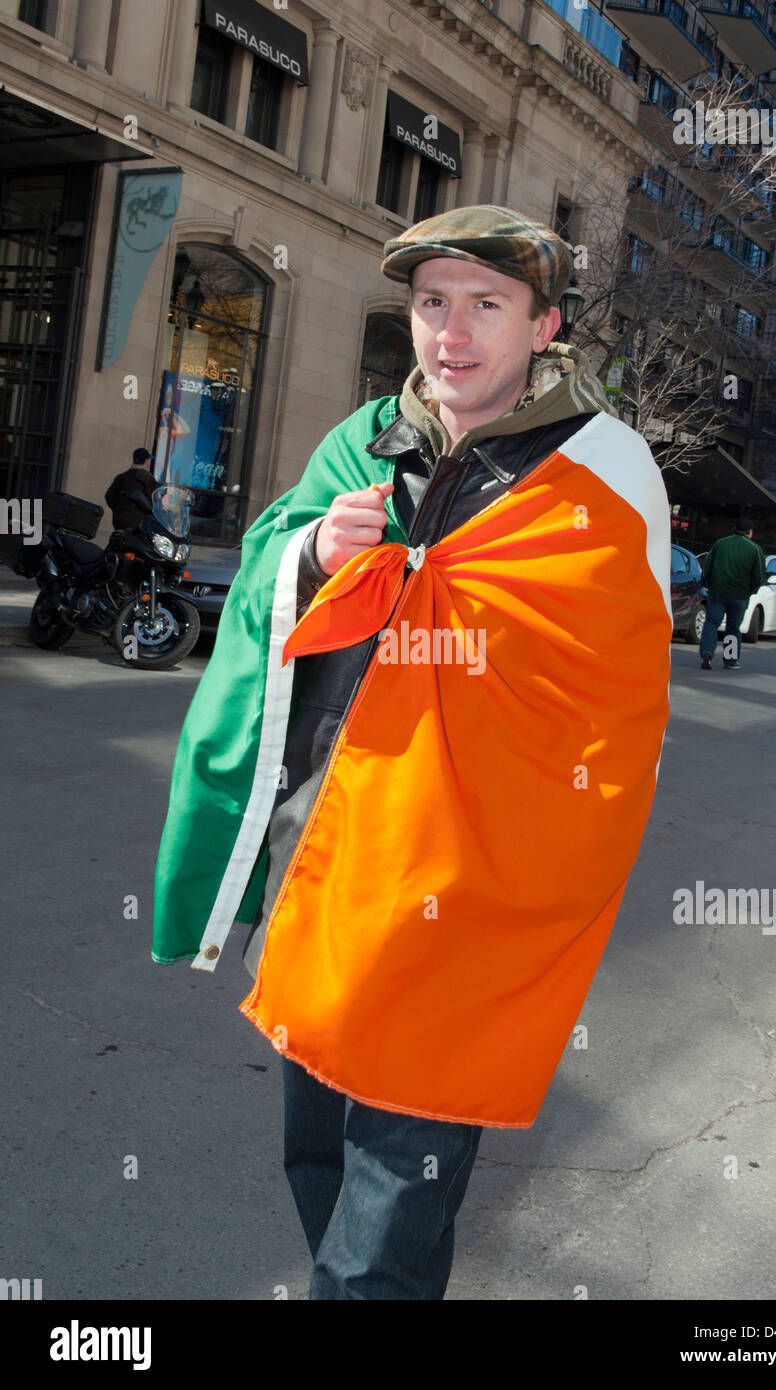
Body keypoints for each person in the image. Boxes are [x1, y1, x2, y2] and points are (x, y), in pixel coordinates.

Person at [151, 206, 672, 1300]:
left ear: (544, 325)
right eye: (432, 302)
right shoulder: (362, 437)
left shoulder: (608, 466)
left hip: (468, 885)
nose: (452, 330)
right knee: (319, 1147)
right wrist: (312, 552)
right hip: (327, 863)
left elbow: (615, 688)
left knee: (391, 1199)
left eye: (487, 303)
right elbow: (261, 582)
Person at [698, 519, 766, 670]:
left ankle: (707, 653)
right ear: (750, 532)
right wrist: (750, 591)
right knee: (733, 628)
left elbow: (707, 566)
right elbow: (759, 577)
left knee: (711, 623)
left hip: (717, 592)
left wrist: (707, 584)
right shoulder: (754, 549)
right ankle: (730, 660)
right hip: (739, 596)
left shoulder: (720, 544)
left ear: (735, 529)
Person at [104, 448, 158, 531]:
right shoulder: (148, 479)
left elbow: (109, 497)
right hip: (138, 523)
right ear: (146, 461)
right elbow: (155, 500)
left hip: (119, 521)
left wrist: (119, 509)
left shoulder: (121, 477)